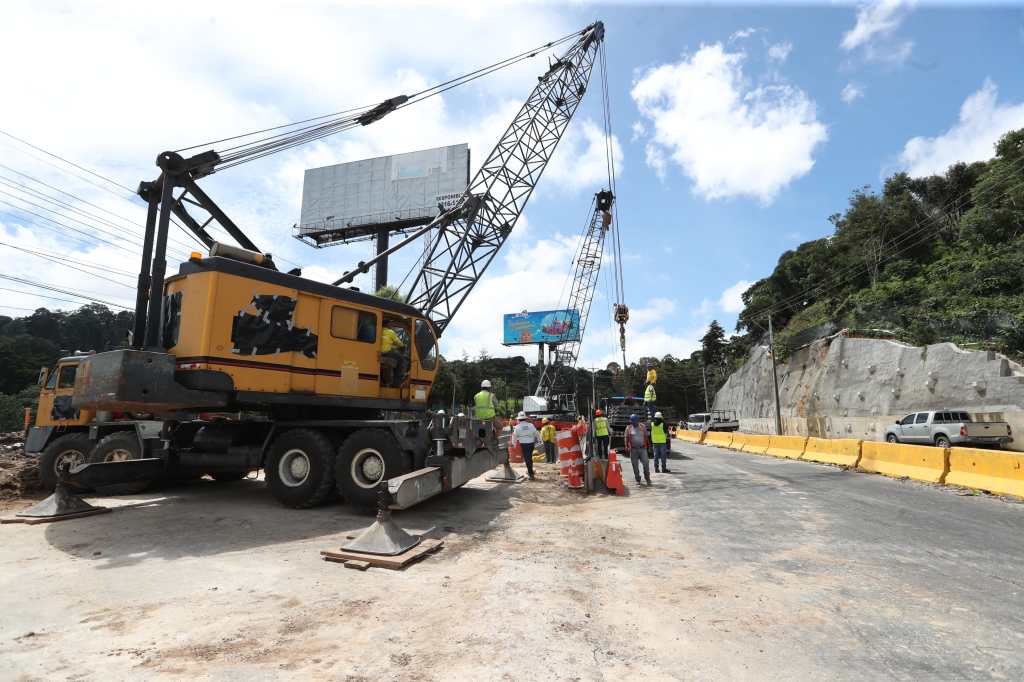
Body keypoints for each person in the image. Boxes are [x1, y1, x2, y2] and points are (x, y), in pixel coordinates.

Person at [512, 411, 541, 480]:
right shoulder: (531, 425)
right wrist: (540, 440)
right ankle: (530, 471)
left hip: (524, 444)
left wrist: (514, 444)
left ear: (518, 419)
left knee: (527, 459)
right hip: (531, 443)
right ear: (525, 418)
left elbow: (514, 436)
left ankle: (531, 474)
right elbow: (536, 433)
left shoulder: (517, 427)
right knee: (529, 457)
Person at [624, 413, 651, 485]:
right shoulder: (628, 428)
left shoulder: (642, 426)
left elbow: (646, 436)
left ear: (637, 421)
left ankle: (647, 477)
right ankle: (637, 478)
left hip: (643, 449)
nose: (634, 423)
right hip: (633, 450)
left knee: (646, 464)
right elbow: (626, 437)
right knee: (635, 465)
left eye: (635, 421)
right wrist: (626, 446)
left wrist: (648, 445)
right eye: (633, 421)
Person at [380, 321, 406, 387]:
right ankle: (396, 383)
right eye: (391, 324)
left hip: (379, 353)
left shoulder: (378, 330)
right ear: (388, 324)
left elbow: (386, 342)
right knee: (401, 360)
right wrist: (403, 346)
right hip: (386, 353)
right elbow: (399, 343)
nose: (391, 326)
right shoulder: (390, 332)